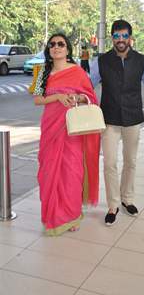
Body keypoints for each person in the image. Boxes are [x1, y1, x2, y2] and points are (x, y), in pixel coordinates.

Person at [90, 19, 144, 226]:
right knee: (110, 163)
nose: (120, 40)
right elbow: (88, 84)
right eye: (116, 36)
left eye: (124, 36)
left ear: (130, 38)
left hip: (132, 118)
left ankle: (127, 199)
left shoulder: (141, 60)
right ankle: (113, 205)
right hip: (109, 120)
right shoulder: (102, 61)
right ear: (112, 38)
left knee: (130, 162)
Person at [33, 33, 100, 236]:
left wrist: (77, 97)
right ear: (49, 49)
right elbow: (37, 99)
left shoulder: (78, 72)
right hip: (51, 128)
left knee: (72, 171)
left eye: (60, 44)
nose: (56, 47)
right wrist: (58, 97)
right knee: (49, 171)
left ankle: (71, 215)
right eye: (52, 44)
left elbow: (90, 97)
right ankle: (52, 216)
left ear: (68, 49)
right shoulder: (43, 71)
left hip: (72, 129)